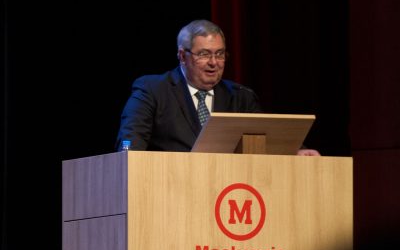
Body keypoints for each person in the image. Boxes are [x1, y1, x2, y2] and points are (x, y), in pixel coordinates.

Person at [115, 20, 319, 155]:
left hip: (228, 194)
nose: (214, 62)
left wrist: (297, 150)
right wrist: (129, 155)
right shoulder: (153, 90)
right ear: (182, 56)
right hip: (169, 190)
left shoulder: (240, 97)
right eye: (204, 54)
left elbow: (266, 140)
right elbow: (130, 146)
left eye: (220, 54)